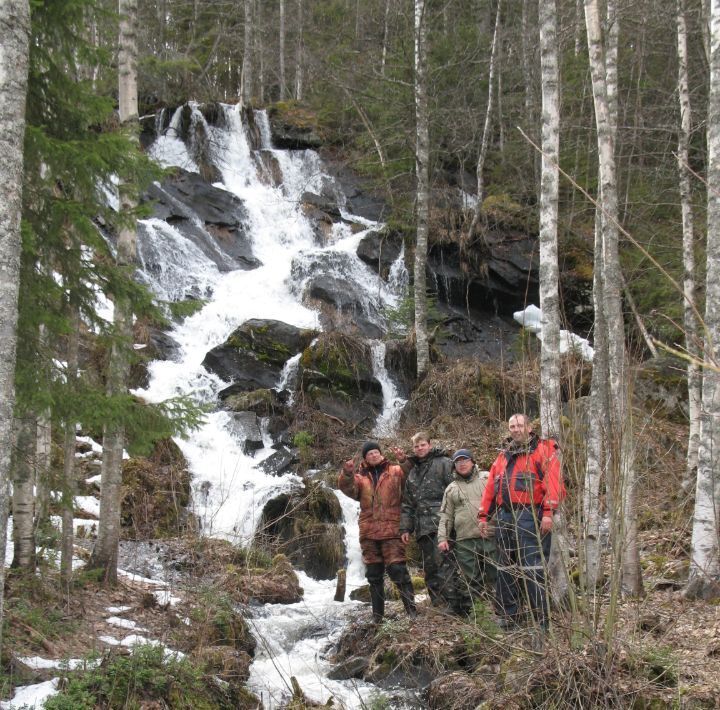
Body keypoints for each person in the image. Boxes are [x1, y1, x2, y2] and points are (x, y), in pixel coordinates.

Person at [478, 415, 563, 630]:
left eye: (519, 425)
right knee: (505, 568)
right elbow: (490, 488)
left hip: (530, 515)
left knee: (532, 567)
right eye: (512, 426)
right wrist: (483, 516)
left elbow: (553, 483)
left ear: (529, 427)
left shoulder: (543, 450)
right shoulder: (503, 456)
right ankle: (509, 616)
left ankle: (541, 620)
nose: (515, 429)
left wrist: (548, 512)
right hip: (505, 517)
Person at [338, 441, 416, 622]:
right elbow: (347, 488)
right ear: (365, 458)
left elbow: (411, 476)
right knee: (374, 575)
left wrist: (404, 460)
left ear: (381, 454)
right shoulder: (360, 478)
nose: (373, 455)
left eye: (376, 452)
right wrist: (347, 473)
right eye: (369, 454)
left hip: (392, 530)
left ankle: (412, 612)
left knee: (398, 570)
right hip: (369, 533)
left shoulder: (395, 471)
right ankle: (378, 617)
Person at [393, 432, 455, 608]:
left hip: (443, 524)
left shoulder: (444, 464)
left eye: (422, 445)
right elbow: (408, 504)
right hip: (422, 528)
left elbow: (455, 491)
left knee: (445, 564)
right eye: (416, 446)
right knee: (430, 568)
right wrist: (405, 528)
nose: (419, 449)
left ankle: (453, 604)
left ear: (429, 444)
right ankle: (437, 604)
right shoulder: (413, 472)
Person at [438, 449, 497, 616]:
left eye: (465, 460)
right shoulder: (451, 488)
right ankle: (477, 615)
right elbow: (446, 516)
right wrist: (442, 537)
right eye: (458, 462)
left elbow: (500, 502)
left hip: (489, 535)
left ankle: (503, 612)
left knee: (497, 575)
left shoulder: (487, 478)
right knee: (471, 580)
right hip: (464, 540)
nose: (462, 464)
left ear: (472, 461)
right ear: (454, 466)